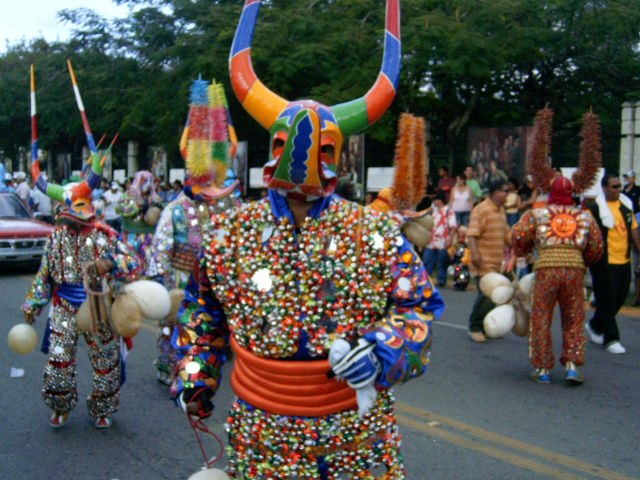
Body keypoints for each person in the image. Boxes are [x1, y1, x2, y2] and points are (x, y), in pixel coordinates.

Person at [172, 2, 445, 478]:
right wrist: (195, 375)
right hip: (262, 430)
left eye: (322, 150)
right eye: (285, 145)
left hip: (356, 432)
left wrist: (383, 351)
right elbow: (202, 311)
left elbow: (416, 310)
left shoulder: (375, 231)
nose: (300, 160)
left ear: (338, 154)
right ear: (272, 147)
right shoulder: (228, 235)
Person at [23, 65, 142, 428]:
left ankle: (103, 410)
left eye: (78, 217)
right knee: (58, 361)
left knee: (105, 363)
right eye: (67, 218)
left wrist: (110, 265)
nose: (71, 224)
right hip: (62, 305)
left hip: (99, 307)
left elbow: (133, 261)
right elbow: (46, 274)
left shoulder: (105, 232)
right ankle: (60, 406)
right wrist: (32, 305)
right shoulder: (57, 236)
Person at [147, 79, 239, 386]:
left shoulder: (224, 208)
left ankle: (200, 364)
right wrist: (160, 276)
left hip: (211, 275)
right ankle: (166, 365)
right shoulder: (176, 208)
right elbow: (161, 244)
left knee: (206, 324)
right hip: (180, 274)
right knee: (171, 322)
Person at [512, 106, 604, 384]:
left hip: (546, 271)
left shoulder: (538, 213)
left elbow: (517, 237)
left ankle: (541, 368)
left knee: (542, 317)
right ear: (573, 192)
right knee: (574, 318)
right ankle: (573, 366)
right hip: (574, 272)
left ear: (551, 192)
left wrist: (526, 252)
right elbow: (597, 247)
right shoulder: (584, 216)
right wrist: (582, 259)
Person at [587, 172, 640, 354]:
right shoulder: (595, 209)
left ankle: (595, 325)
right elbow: (588, 234)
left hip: (623, 260)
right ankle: (611, 338)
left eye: (619, 186)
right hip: (603, 262)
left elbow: (633, 231)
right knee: (607, 300)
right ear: (605, 188)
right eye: (614, 186)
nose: (619, 189)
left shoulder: (626, 207)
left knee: (619, 297)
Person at [466, 178, 511, 343]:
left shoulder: (500, 211)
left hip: (496, 262)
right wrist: (476, 255)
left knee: (494, 296)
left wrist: (519, 244)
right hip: (483, 261)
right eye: (506, 191)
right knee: (486, 295)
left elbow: (507, 234)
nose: (508, 194)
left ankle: (485, 326)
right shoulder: (481, 210)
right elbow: (472, 234)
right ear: (496, 192)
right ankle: (474, 327)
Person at [424, 191, 457, 286]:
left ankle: (441, 280)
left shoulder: (448, 211)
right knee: (428, 261)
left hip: (443, 240)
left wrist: (450, 239)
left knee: (442, 263)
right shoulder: (434, 211)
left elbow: (453, 227)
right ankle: (426, 279)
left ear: (439, 201)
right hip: (431, 241)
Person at [621, 170, 640, 304]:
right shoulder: (622, 191)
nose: (627, 179)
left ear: (633, 178)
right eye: (626, 177)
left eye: (629, 177)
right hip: (627, 223)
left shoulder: (638, 190)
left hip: (635, 222)